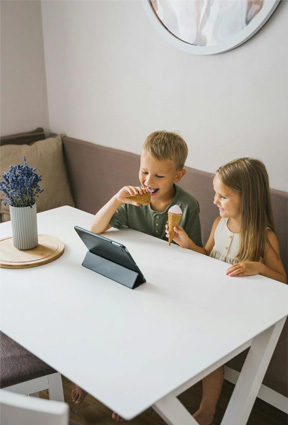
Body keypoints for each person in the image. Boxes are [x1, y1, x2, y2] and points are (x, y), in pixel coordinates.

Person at [72, 130, 202, 421]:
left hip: (164, 285)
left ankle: (127, 393)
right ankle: (89, 375)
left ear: (178, 176)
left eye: (159, 176)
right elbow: (94, 228)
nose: (148, 182)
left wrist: (185, 242)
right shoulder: (132, 200)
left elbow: (197, 257)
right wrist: (117, 200)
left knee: (141, 336)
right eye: (144, 171)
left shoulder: (188, 205)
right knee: (98, 315)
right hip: (131, 277)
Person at [166, 157, 287, 425]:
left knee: (211, 347)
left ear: (247, 198)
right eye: (215, 193)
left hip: (236, 310)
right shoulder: (220, 224)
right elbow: (208, 255)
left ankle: (207, 410)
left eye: (222, 196)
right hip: (211, 298)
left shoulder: (263, 236)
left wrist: (259, 267)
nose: (215, 200)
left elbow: (282, 280)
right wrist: (188, 245)